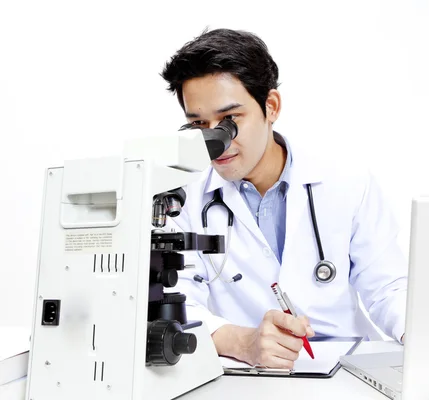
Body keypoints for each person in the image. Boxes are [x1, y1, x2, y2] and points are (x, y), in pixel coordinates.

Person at [160, 28, 407, 369]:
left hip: (350, 367)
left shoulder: (346, 180)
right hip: (250, 375)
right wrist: (244, 342)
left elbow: (388, 287)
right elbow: (177, 302)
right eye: (200, 125)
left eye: (229, 121)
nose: (215, 142)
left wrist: (419, 333)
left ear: (271, 106)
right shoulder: (179, 199)